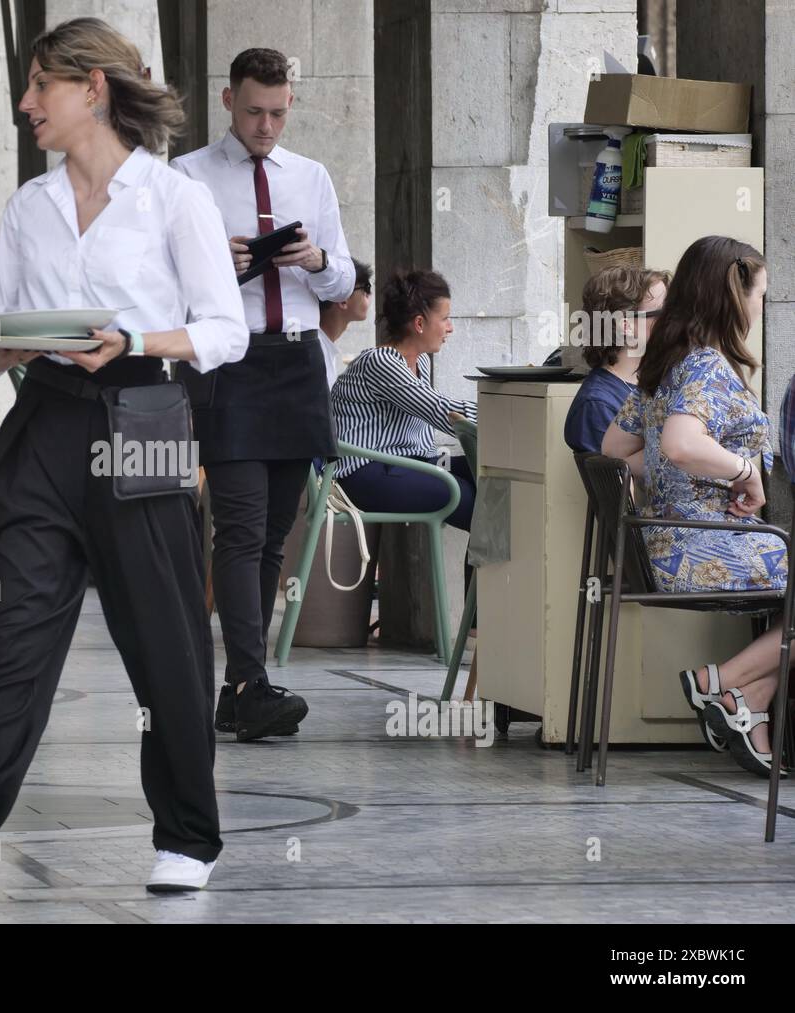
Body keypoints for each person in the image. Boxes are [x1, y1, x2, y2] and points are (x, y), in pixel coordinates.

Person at [0, 17, 246, 909]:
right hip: (43, 426)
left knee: (166, 646)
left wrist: (131, 338)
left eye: (42, 85)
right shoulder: (29, 207)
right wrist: (4, 344)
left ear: (94, 89)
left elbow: (226, 332)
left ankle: (188, 834)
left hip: (144, 411)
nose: (27, 102)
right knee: (12, 638)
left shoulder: (175, 199)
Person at [171, 48, 356, 741]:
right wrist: (224, 262)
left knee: (275, 531)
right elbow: (162, 284)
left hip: (298, 363)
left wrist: (314, 261)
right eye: (253, 111)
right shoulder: (186, 178)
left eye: (278, 112)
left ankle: (236, 686)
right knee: (242, 526)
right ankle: (251, 683)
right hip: (228, 363)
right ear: (227, 101)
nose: (265, 125)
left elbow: (344, 282)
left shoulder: (311, 178)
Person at [602, 235, 786, 777]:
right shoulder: (706, 365)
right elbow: (681, 443)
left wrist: (680, 471)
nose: (761, 308)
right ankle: (720, 681)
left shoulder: (669, 362)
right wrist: (744, 472)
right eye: (761, 295)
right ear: (734, 296)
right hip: (700, 548)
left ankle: (748, 704)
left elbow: (616, 451)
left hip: (663, 544)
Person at [329, 269, 477, 633]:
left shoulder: (420, 362)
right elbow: (440, 411)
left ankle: (480, 622)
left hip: (405, 464)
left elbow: (427, 429)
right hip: (363, 474)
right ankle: (478, 625)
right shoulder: (381, 362)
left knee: (492, 479)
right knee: (479, 502)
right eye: (445, 319)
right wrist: (505, 412)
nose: (450, 328)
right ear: (419, 322)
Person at [563, 266, 669, 454]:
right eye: (663, 313)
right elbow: (620, 482)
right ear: (626, 326)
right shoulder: (596, 404)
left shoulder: (658, 381)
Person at [318, 257, 373, 388]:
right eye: (365, 288)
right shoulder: (316, 349)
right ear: (343, 299)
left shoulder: (323, 343)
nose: (368, 294)